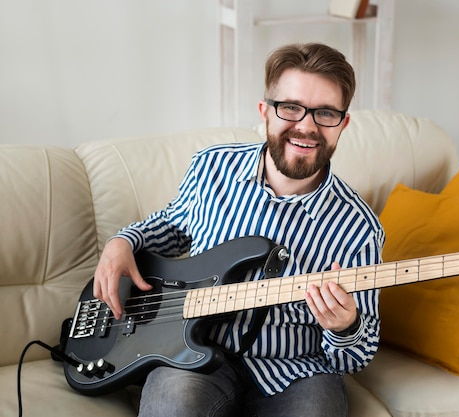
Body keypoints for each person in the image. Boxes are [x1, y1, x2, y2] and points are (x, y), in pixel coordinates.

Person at [93, 42, 385, 417]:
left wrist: (345, 327)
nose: (307, 126)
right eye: (291, 107)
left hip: (298, 370)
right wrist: (123, 241)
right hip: (192, 353)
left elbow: (357, 355)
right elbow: (172, 225)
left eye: (325, 113)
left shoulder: (359, 227)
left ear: (342, 124)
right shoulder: (213, 167)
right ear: (265, 112)